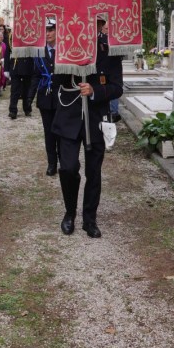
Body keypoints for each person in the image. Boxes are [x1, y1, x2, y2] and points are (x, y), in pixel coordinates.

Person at [52, 33, 123, 238]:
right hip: (69, 117)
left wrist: (95, 90)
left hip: (95, 118)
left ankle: (89, 219)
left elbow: (117, 87)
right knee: (68, 167)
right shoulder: (65, 46)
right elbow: (56, 80)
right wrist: (69, 60)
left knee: (94, 172)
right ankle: (70, 212)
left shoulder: (108, 51)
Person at [28, 20, 60, 174]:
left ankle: (63, 159)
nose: (47, 33)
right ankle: (52, 163)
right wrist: (29, 97)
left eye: (51, 30)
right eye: (45, 30)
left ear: (58, 30)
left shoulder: (64, 50)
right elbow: (35, 75)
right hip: (45, 97)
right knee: (49, 132)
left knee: (61, 130)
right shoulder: (40, 51)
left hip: (61, 97)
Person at [97, 16, 121, 123]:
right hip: (73, 114)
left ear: (100, 25)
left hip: (99, 109)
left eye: (97, 23)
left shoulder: (109, 47)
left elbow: (117, 88)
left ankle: (114, 112)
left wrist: (94, 91)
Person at [8, 54, 34, 119]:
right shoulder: (11, 42)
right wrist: (6, 68)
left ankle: (27, 108)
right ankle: (13, 110)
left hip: (28, 65)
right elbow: (7, 53)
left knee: (27, 89)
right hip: (15, 66)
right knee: (14, 90)